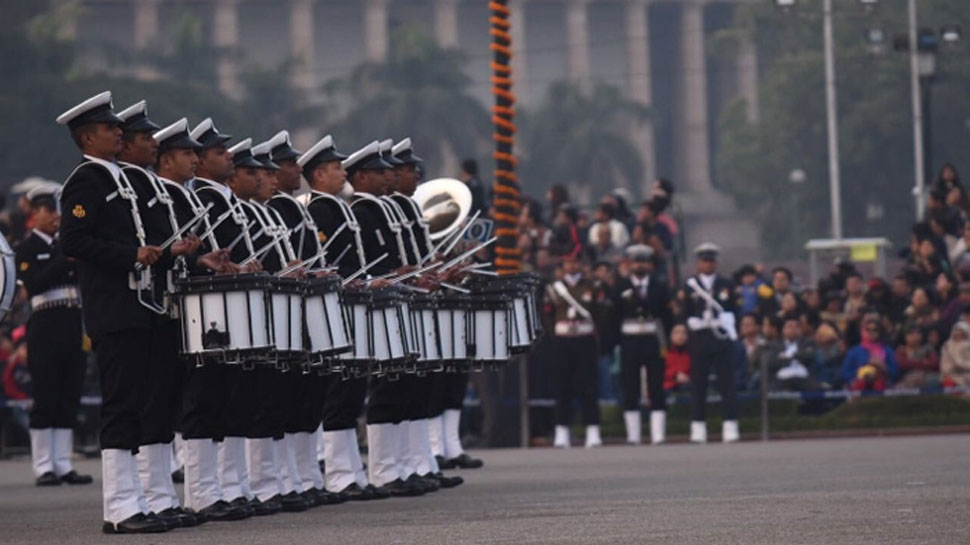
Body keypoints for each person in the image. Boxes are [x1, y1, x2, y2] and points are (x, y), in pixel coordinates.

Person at [56, 91, 169, 533]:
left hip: (137, 305)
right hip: (114, 308)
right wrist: (130, 255)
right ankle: (120, 506)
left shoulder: (117, 177)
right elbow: (74, 241)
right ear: (88, 137)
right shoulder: (87, 180)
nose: (118, 132)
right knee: (121, 406)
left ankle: (136, 499)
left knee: (137, 405)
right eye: (109, 128)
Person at [301, 136, 387, 501]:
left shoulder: (339, 207)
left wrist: (367, 279)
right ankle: (338, 473)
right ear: (318, 174)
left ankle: (351, 472)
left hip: (351, 301)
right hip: (335, 304)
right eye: (336, 168)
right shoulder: (319, 211)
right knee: (340, 390)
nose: (342, 172)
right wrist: (363, 280)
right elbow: (328, 262)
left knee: (352, 388)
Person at [16, 183, 92, 488]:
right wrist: (63, 261)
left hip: (72, 322)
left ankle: (63, 462)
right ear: (35, 215)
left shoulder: (66, 244)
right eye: (48, 211)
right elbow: (33, 284)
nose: (54, 217)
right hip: (45, 324)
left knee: (68, 395)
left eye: (56, 211)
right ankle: (43, 464)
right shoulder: (28, 248)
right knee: (46, 395)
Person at [546, 253, 607, 448]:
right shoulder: (553, 289)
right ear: (562, 265)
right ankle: (562, 430)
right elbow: (548, 317)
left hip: (585, 338)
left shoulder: (593, 286)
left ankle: (592, 429)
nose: (572, 266)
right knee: (562, 387)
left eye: (575, 262)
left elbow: (600, 314)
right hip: (563, 340)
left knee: (588, 386)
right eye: (568, 262)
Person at [613, 245, 672, 445]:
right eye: (636, 261)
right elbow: (614, 317)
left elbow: (667, 316)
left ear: (650, 264)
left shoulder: (659, 286)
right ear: (630, 264)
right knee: (630, 386)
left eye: (644, 261)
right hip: (629, 340)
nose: (640, 265)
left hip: (652, 339)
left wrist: (668, 341)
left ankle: (658, 433)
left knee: (656, 385)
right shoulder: (620, 287)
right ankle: (633, 434)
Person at [683, 243, 739, 444]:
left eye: (711, 260)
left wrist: (728, 321)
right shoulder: (690, 285)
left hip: (721, 337)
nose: (708, 264)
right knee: (699, 383)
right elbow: (684, 312)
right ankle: (698, 426)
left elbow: (734, 309)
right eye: (705, 261)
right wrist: (692, 322)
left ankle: (730, 424)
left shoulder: (726, 284)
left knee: (727, 382)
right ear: (699, 263)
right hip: (700, 338)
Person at [842, 318, 900, 392]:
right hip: (858, 388)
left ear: (880, 332)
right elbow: (845, 373)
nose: (871, 332)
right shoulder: (854, 351)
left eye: (875, 330)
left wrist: (883, 366)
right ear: (862, 331)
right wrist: (861, 371)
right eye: (868, 329)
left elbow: (896, 374)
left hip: (882, 388)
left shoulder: (887, 350)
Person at [941, 321, 970, 392]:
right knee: (948, 382)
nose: (958, 333)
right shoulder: (947, 345)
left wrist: (960, 364)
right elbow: (944, 364)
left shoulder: (968, 345)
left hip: (967, 374)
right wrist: (952, 368)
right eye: (957, 331)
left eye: (961, 331)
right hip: (951, 375)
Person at [663, 324, 690, 392]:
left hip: (688, 386)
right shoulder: (664, 352)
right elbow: (659, 370)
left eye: (683, 333)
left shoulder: (692, 353)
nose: (680, 336)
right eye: (676, 332)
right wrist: (675, 375)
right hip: (668, 387)